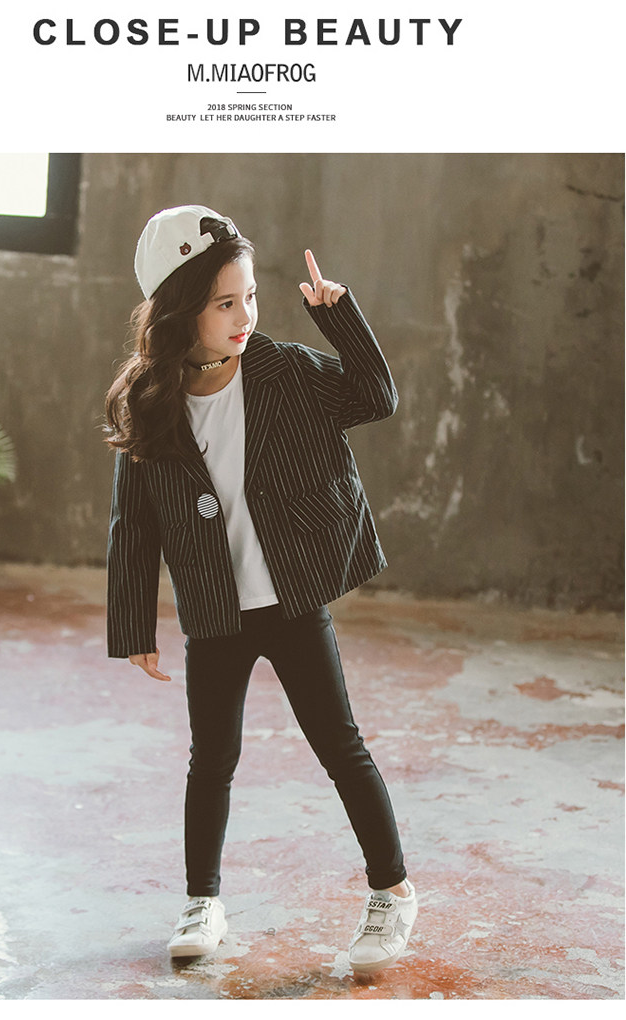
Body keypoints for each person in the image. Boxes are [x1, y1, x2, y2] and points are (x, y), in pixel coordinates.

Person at [104, 204, 417, 975]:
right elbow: (133, 524)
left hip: (292, 600)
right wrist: (133, 625)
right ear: (180, 311)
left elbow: (374, 398)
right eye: (224, 303)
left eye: (249, 296)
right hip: (216, 613)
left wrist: (338, 318)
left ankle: (393, 891)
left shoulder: (285, 369)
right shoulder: (150, 401)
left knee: (341, 747)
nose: (244, 315)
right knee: (210, 760)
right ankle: (202, 901)